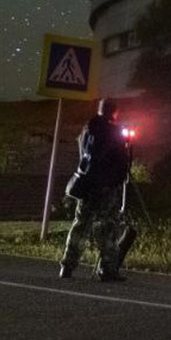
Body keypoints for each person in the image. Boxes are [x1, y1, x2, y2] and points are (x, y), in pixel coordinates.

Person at [60, 98, 133, 281]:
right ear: (114, 112)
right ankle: (107, 269)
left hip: (87, 185)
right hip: (106, 188)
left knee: (80, 224)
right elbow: (122, 162)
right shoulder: (114, 132)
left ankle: (67, 266)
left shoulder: (88, 130)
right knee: (106, 227)